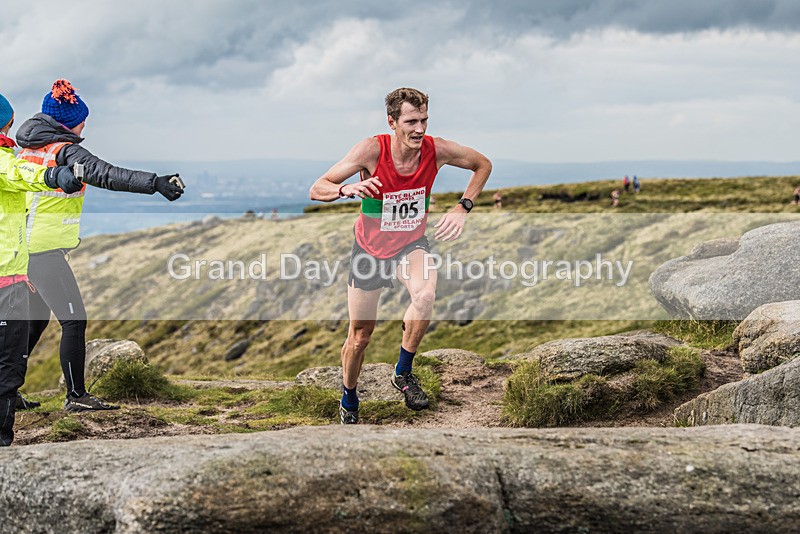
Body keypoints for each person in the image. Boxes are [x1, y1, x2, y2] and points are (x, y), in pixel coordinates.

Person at [309, 87, 492, 424]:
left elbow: (482, 164)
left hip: (411, 245)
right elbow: (317, 187)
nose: (419, 129)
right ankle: (349, 397)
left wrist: (463, 207)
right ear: (392, 121)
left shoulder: (436, 150)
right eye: (411, 121)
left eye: (423, 120)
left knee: (425, 295)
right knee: (361, 335)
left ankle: (403, 373)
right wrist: (345, 189)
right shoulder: (370, 150)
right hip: (369, 251)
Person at [15, 80, 185, 412]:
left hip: (23, 249)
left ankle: (5, 391)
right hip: (44, 252)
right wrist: (156, 183)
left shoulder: (28, 148)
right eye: (82, 120)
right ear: (70, 121)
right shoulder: (65, 150)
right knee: (74, 321)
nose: (84, 127)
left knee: (34, 322)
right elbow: (106, 174)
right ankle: (76, 396)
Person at [0, 92, 82, 444]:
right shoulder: (7, 161)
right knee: (8, 366)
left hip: (16, 271)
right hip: (9, 279)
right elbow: (21, 173)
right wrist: (55, 175)